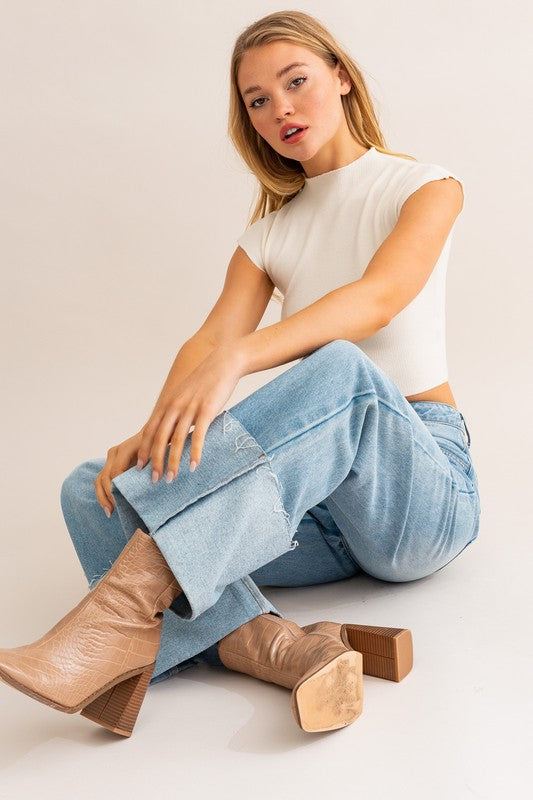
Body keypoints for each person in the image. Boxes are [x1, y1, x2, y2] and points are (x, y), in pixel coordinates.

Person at [0, 9, 480, 738]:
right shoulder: (271, 233)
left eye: (296, 82)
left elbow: (378, 299)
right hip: (319, 513)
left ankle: (119, 621)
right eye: (258, 99)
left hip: (420, 492)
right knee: (92, 489)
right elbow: (209, 340)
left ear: (341, 78)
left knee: (342, 369)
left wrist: (241, 358)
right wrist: (153, 438)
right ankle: (284, 648)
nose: (280, 108)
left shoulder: (424, 186)